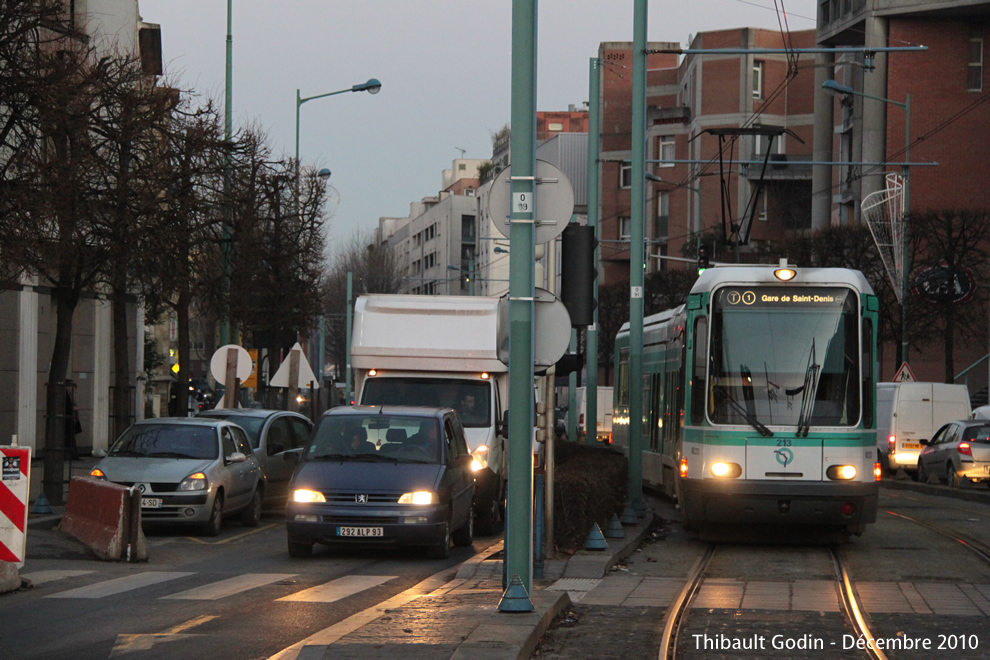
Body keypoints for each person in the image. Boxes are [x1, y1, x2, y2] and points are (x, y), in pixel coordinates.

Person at [64, 383, 82, 460]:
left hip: (69, 419)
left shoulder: (69, 395)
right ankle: (72, 455)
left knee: (70, 438)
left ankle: (73, 454)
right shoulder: (66, 395)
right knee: (70, 438)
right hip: (67, 420)